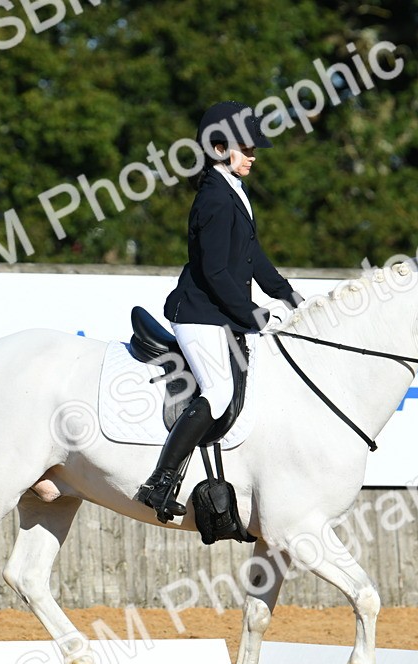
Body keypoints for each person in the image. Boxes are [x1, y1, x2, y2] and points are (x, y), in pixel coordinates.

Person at [135, 101, 303, 522]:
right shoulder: (213, 197)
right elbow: (214, 272)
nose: (253, 156)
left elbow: (252, 256)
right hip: (199, 314)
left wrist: (287, 295)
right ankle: (160, 482)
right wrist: (253, 314)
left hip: (220, 312)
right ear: (219, 147)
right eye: (245, 148)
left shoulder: (233, 191)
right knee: (219, 391)